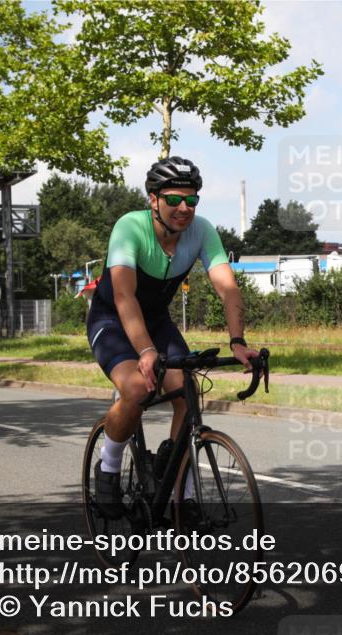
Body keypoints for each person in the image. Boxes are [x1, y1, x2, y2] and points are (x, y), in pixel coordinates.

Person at [87, 156, 259, 518]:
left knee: (187, 390)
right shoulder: (129, 228)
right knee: (136, 388)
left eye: (192, 200)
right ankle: (109, 465)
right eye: (174, 199)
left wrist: (238, 341)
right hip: (113, 319)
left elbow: (228, 288)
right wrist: (146, 350)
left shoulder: (202, 231)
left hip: (157, 321)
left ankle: (182, 488)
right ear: (153, 200)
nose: (184, 208)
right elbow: (123, 297)